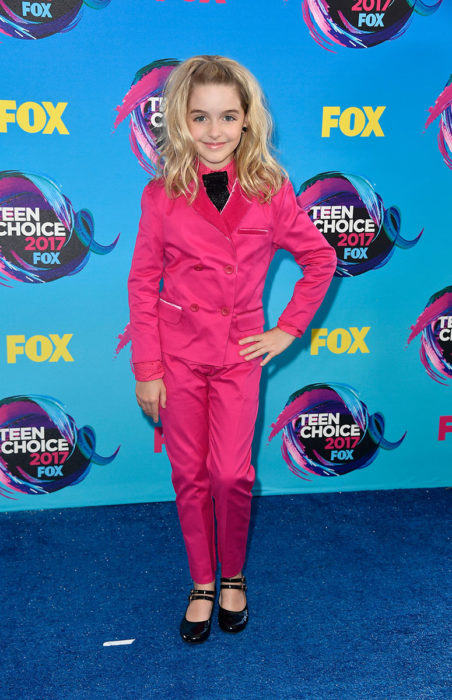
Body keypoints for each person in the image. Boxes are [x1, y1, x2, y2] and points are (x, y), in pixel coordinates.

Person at [127, 55, 337, 644]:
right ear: (180, 123)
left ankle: (234, 575)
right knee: (190, 475)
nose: (214, 131)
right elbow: (143, 283)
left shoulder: (271, 190)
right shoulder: (160, 196)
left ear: (248, 121)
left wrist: (288, 330)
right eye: (200, 118)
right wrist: (147, 368)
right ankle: (200, 581)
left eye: (227, 116)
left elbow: (321, 258)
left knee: (231, 474)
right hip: (178, 356)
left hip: (241, 354)